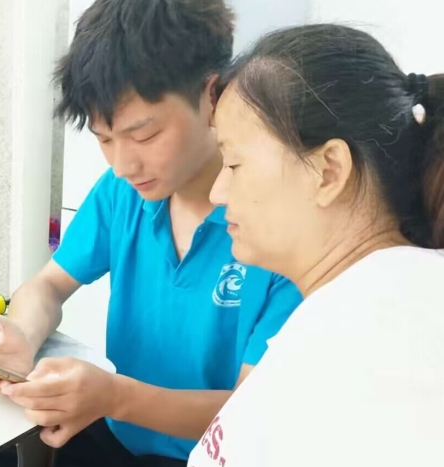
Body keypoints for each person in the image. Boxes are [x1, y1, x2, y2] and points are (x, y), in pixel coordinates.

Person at [0, 1, 301, 465]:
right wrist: (20, 334)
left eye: (144, 136)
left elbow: (252, 410)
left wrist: (114, 396)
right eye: (104, 139)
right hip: (115, 433)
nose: (122, 165)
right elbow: (50, 284)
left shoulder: (281, 228)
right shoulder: (123, 193)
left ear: (213, 95)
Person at [187, 23, 444, 467]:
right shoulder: (363, 308)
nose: (217, 193)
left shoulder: (370, 344)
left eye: (234, 163)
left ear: (329, 171)